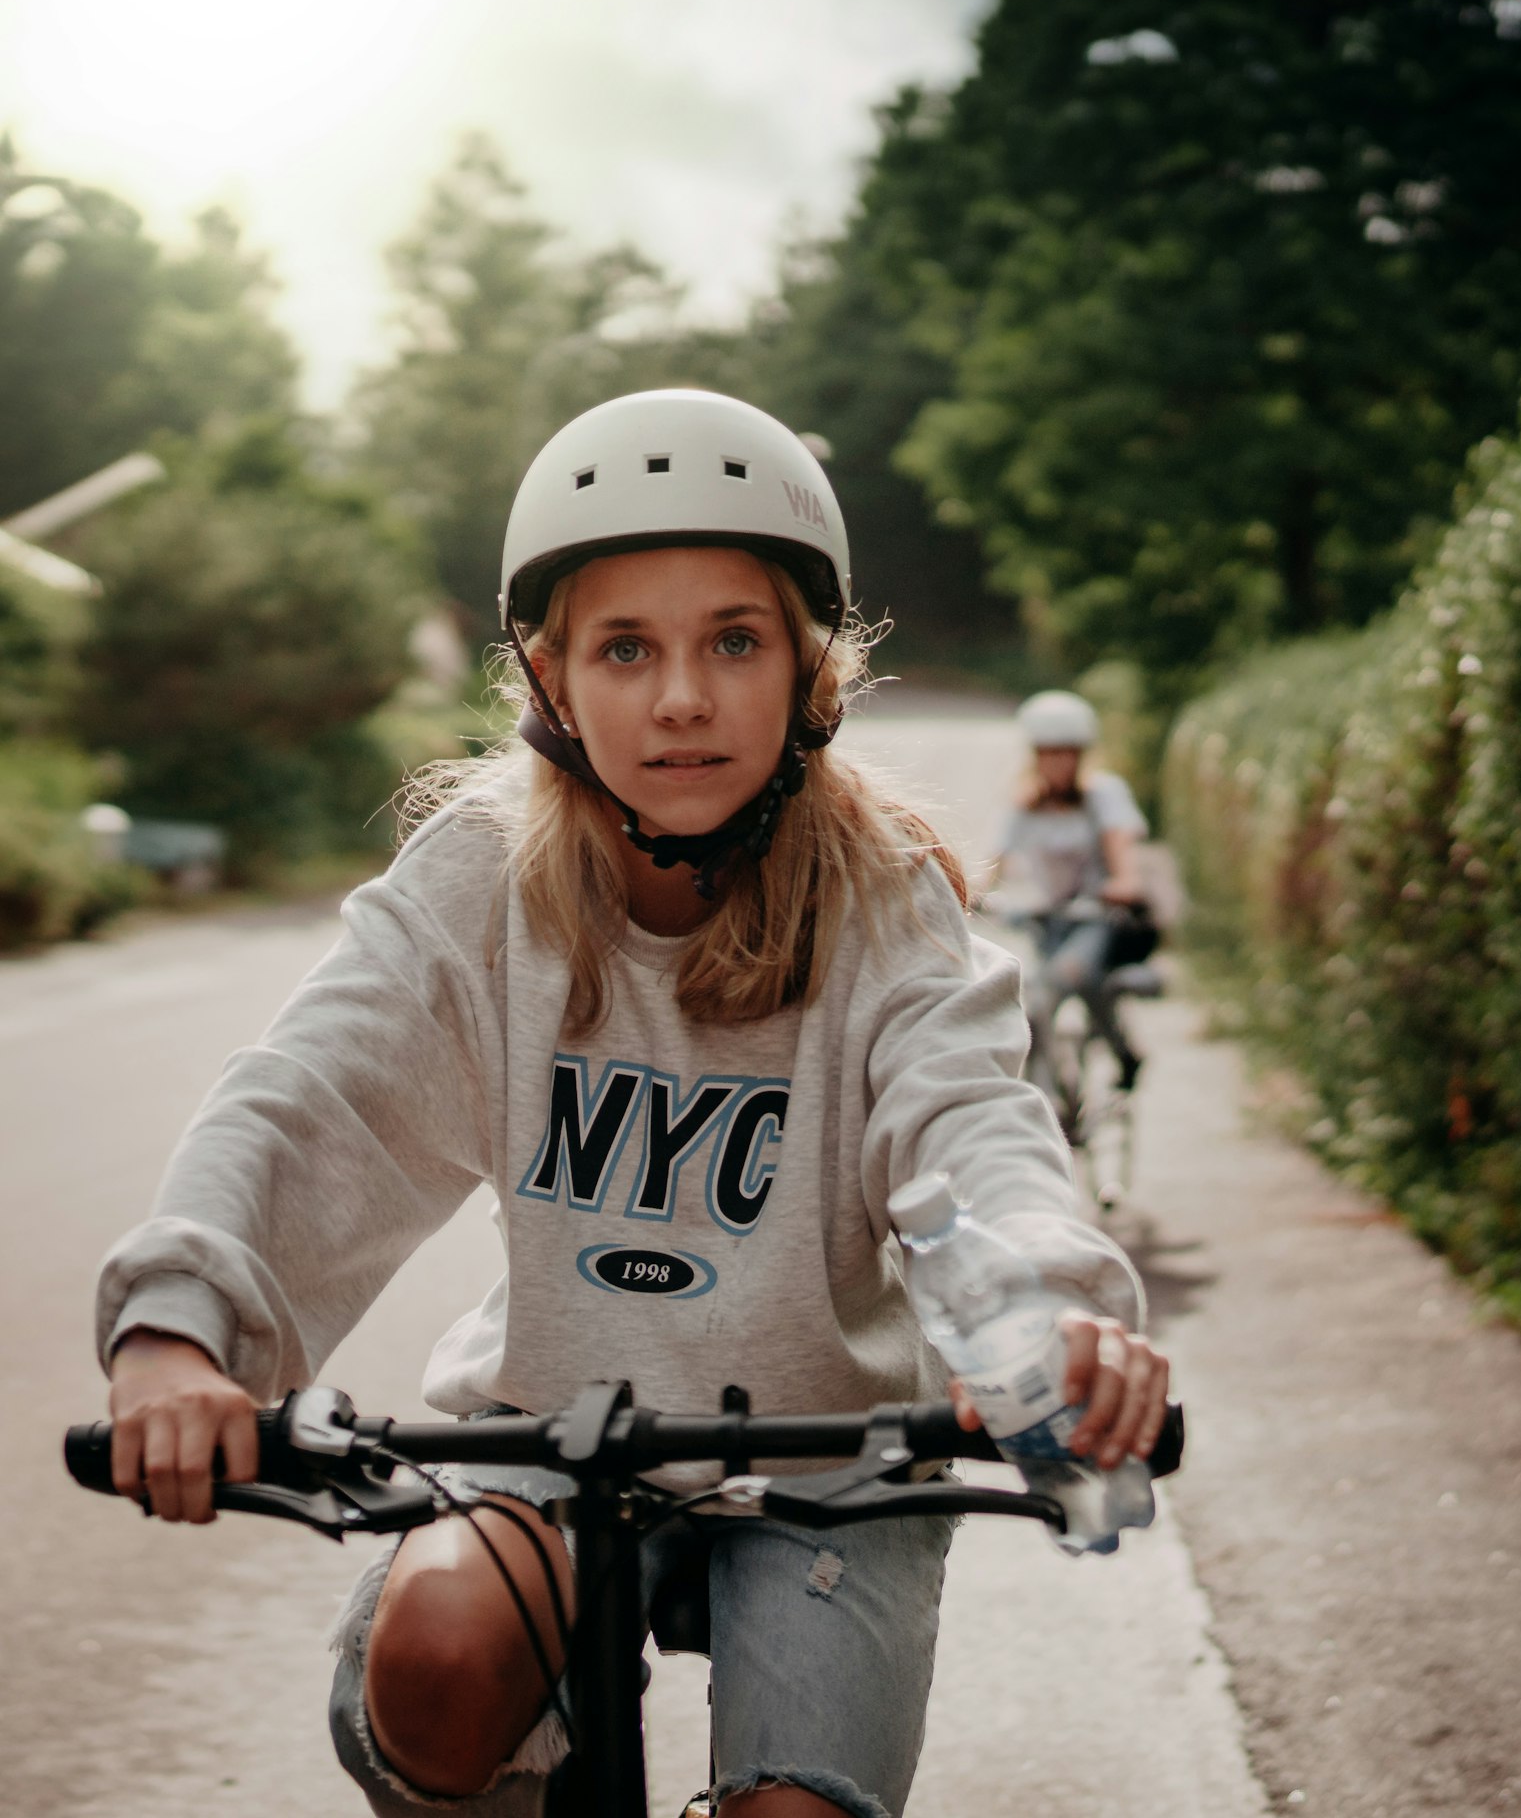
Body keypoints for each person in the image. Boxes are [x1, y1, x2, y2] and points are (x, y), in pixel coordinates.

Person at [95, 390, 1171, 1818]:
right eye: (626, 648)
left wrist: (1048, 1312)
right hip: (551, 1427)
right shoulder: (482, 882)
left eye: (734, 639)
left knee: (797, 1812)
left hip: (835, 1458)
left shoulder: (882, 899)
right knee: (439, 1649)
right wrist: (182, 1334)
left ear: (811, 671)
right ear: (551, 679)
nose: (681, 696)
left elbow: (972, 1125)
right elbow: (311, 1099)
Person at [995, 691, 1151, 1111]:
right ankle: (1047, 1098)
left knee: (1062, 984)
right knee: (1045, 1004)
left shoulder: (1104, 795)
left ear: (1081, 756)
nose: (1058, 763)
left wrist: (1124, 881)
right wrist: (966, 892)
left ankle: (1123, 1054)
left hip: (1097, 918)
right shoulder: (1026, 805)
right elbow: (995, 862)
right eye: (1049, 753)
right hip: (1050, 921)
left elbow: (1122, 849)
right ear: (1034, 756)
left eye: (1068, 753)